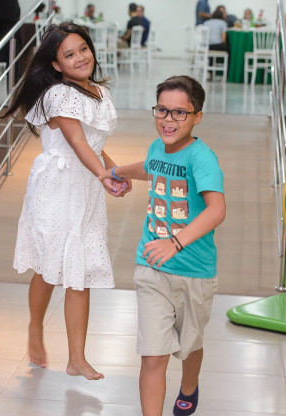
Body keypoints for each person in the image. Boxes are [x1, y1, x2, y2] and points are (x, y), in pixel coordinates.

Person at [2, 22, 131, 380]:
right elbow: (76, 142)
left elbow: (94, 145)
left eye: (83, 49)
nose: (80, 58)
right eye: (69, 54)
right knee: (49, 266)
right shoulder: (58, 95)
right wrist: (103, 174)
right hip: (57, 186)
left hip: (85, 186)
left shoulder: (99, 92)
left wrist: (112, 171)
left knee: (80, 271)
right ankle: (35, 325)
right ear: (56, 64)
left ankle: (77, 358)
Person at [99, 75, 226, 415]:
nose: (169, 120)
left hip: (194, 271)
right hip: (151, 266)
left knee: (189, 346)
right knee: (153, 356)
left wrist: (176, 242)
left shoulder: (202, 158)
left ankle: (189, 385)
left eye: (180, 113)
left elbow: (216, 210)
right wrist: (117, 171)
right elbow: (151, 167)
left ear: (197, 117)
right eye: (162, 110)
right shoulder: (157, 147)